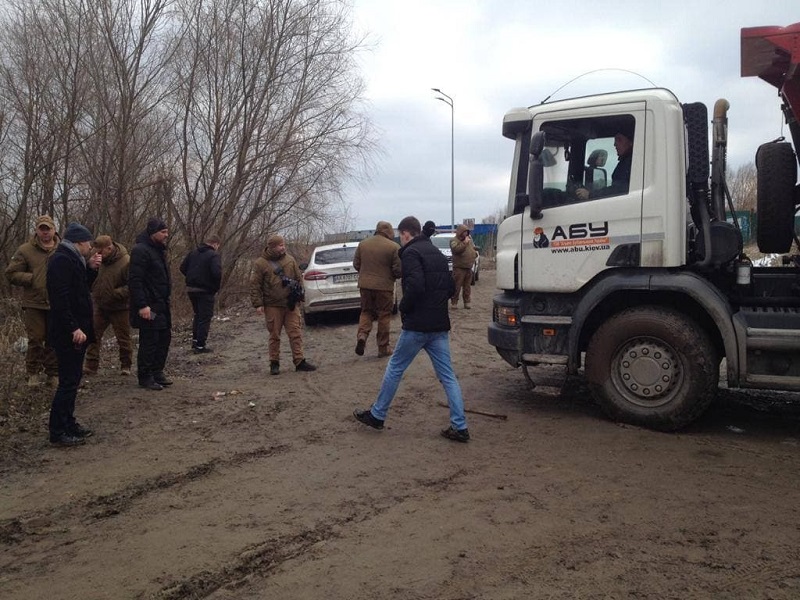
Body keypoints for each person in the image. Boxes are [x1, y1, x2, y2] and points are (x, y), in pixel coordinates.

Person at [353, 215, 470, 443]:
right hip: (439, 324)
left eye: (401, 235)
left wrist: (404, 308)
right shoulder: (437, 253)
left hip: (417, 325)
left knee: (395, 367)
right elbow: (450, 287)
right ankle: (460, 426)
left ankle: (377, 415)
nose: (400, 239)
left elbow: (415, 285)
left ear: (406, 233)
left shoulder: (410, 254)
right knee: (447, 376)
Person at [46, 222, 102, 446]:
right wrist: (73, 327)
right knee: (68, 382)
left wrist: (91, 269)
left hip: (77, 330)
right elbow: (60, 299)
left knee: (73, 380)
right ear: (79, 241)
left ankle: (69, 423)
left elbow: (81, 290)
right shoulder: (61, 260)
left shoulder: (73, 259)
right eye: (88, 242)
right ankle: (58, 431)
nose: (90, 246)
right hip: (68, 332)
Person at [5, 215, 61, 387]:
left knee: (54, 339)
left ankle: (53, 373)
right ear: (36, 230)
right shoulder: (25, 250)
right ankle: (33, 373)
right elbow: (10, 273)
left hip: (56, 301)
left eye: (48, 229)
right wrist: (32, 278)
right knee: (36, 338)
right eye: (42, 229)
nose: (45, 232)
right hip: (34, 302)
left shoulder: (62, 249)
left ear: (54, 230)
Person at [249, 234, 316, 375]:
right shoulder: (261, 263)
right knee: (274, 335)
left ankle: (299, 360)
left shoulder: (290, 260)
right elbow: (255, 285)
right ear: (272, 247)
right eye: (280, 245)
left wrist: (300, 295)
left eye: (283, 245)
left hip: (290, 304)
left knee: (295, 333)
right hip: (272, 305)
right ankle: (274, 363)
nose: (283, 247)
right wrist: (258, 304)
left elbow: (298, 278)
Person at [129, 218, 173, 391]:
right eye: (163, 232)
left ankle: (157, 371)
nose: (166, 235)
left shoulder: (158, 250)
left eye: (167, 232)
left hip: (162, 304)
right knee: (150, 340)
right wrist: (142, 305)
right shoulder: (140, 250)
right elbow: (135, 280)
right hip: (149, 306)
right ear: (153, 232)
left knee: (164, 337)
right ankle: (145, 376)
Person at [83, 235, 132, 376]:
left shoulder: (126, 262)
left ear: (109, 249)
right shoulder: (99, 261)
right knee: (93, 335)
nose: (98, 254)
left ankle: (126, 365)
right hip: (100, 305)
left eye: (100, 251)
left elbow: (132, 285)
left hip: (120, 307)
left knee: (123, 338)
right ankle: (91, 366)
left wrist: (115, 293)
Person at [353, 221, 402, 358]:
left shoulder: (363, 244)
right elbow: (398, 270)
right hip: (384, 287)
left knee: (366, 311)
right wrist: (391, 276)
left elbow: (356, 264)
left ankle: (362, 335)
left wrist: (366, 274)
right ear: (389, 232)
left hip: (365, 285)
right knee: (384, 315)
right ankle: (383, 347)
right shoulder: (394, 247)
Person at [180, 234, 222, 354]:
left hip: (191, 289)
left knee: (197, 315)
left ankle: (195, 341)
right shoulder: (213, 255)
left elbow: (182, 267)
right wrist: (215, 287)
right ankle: (200, 345)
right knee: (205, 317)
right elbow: (217, 273)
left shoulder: (193, 253)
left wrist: (192, 277)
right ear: (215, 244)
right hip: (206, 290)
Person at [575, 131, 633, 200]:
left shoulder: (630, 163)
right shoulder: (625, 161)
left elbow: (618, 189)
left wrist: (590, 195)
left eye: (619, 140)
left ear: (631, 142)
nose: (615, 144)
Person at [449, 224, 478, 309]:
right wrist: (464, 243)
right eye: (464, 232)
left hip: (468, 267)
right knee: (457, 286)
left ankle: (467, 302)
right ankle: (454, 302)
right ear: (460, 232)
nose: (466, 234)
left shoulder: (469, 240)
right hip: (459, 267)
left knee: (467, 287)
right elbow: (456, 250)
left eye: (467, 232)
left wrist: (474, 254)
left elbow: (471, 249)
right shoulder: (454, 240)